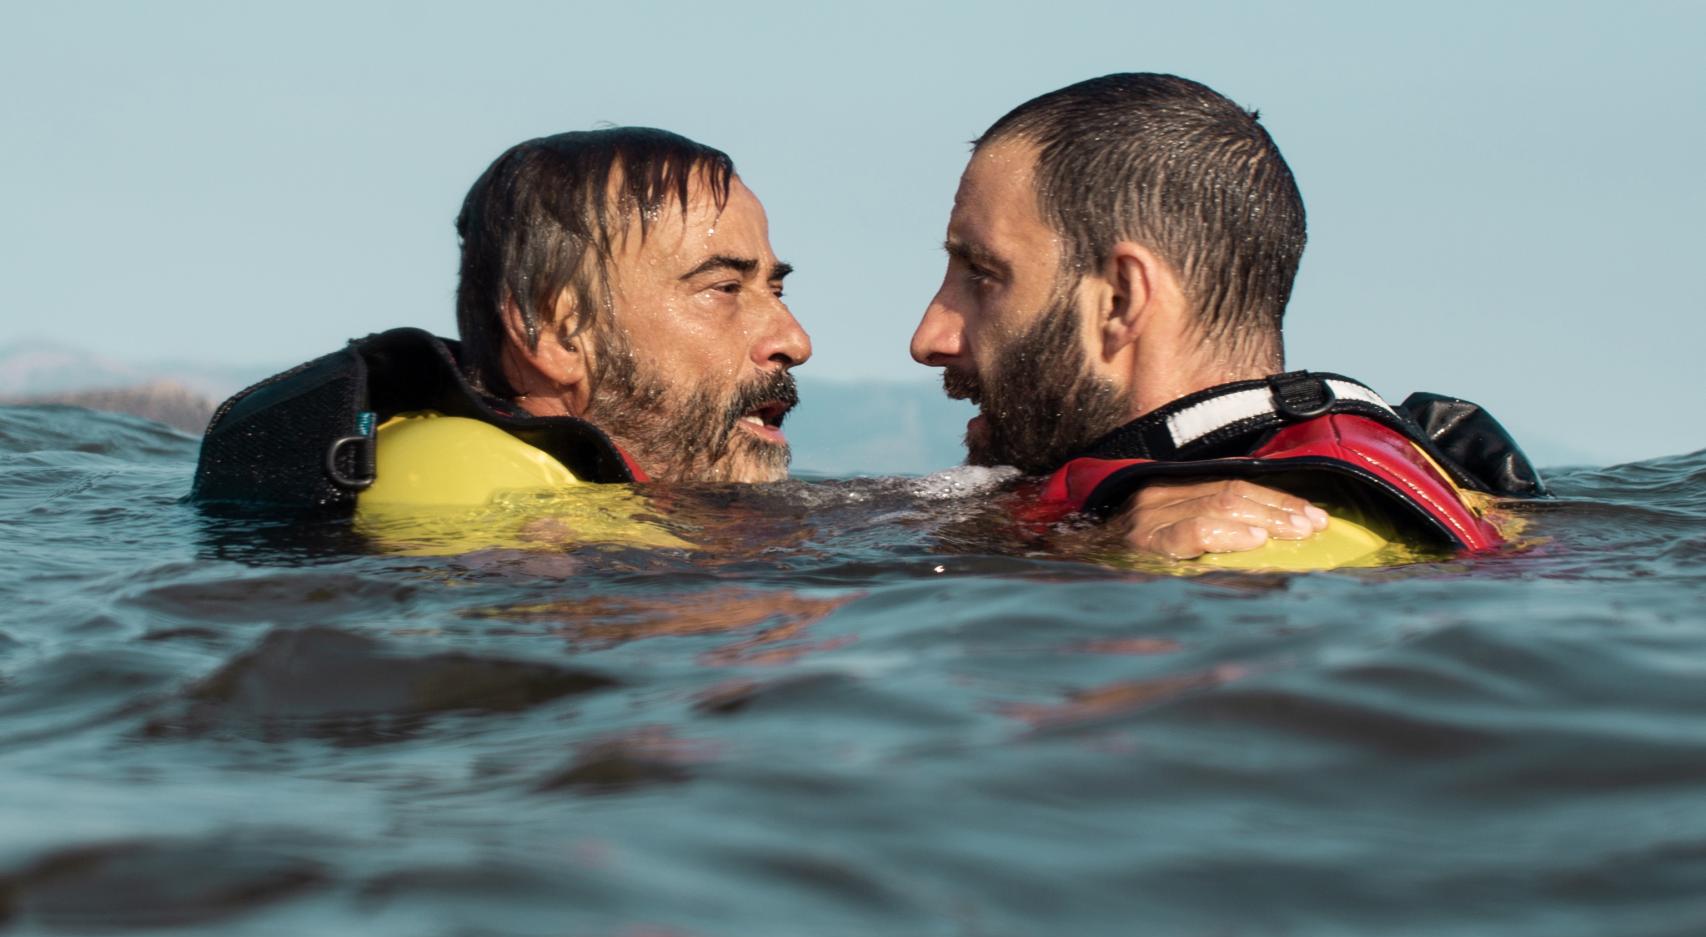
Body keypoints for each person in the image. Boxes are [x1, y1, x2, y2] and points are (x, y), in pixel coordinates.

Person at [910, 73, 1543, 566]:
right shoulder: (1124, 523)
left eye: (984, 276)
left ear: (1122, 300)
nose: (929, 339)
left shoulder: (1237, 555)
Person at [192, 128, 811, 510]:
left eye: (774, 288)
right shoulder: (472, 483)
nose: (794, 340)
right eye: (725, 287)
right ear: (558, 330)